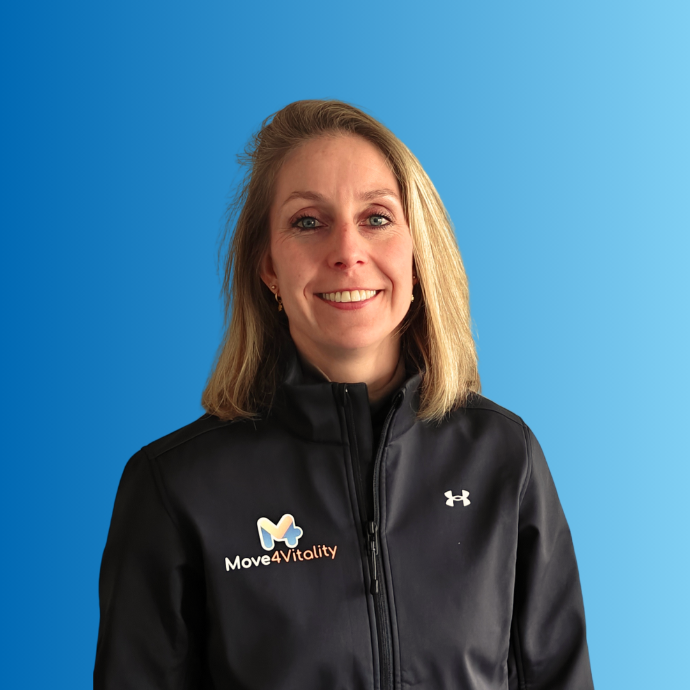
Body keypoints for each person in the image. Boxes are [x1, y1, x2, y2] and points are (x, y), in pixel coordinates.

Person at [94, 100, 594, 690]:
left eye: (376, 218)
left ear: (417, 252)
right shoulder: (175, 487)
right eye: (309, 222)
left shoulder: (504, 457)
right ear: (268, 267)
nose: (347, 251)